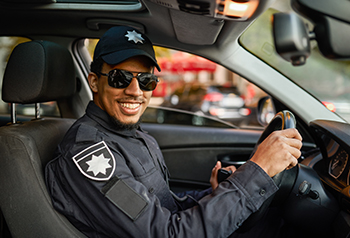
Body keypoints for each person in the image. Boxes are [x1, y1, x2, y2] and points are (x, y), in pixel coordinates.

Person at [45, 26, 302, 238]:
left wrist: (216, 193)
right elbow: (167, 234)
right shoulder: (90, 154)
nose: (135, 91)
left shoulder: (133, 136)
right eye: (120, 78)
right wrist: (256, 172)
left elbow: (164, 208)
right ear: (94, 82)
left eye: (146, 80)